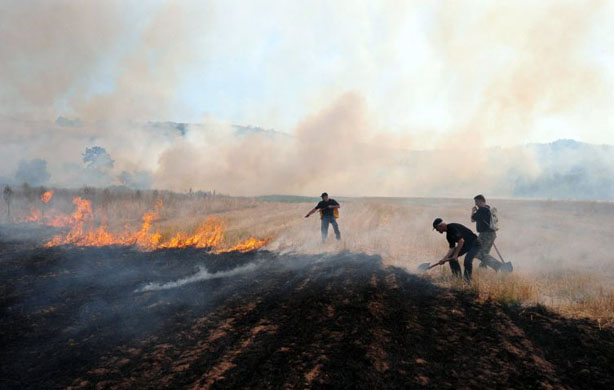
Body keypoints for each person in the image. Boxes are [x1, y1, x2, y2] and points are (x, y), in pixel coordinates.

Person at [432, 218, 482, 282]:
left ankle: (467, 281)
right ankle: (457, 277)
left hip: (474, 244)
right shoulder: (448, 236)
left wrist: (455, 255)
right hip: (466, 245)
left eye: (437, 229)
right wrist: (443, 259)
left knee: (467, 261)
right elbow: (452, 248)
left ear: (440, 226)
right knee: (451, 256)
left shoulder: (452, 227)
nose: (437, 231)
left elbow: (461, 241)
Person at [471, 194, 501, 272]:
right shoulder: (488, 208)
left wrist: (473, 211)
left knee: (478, 253)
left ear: (481, 201)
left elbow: (472, 219)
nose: (476, 204)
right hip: (490, 234)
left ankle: (498, 266)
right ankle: (482, 269)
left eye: (476, 201)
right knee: (484, 253)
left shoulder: (482, 210)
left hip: (486, 234)